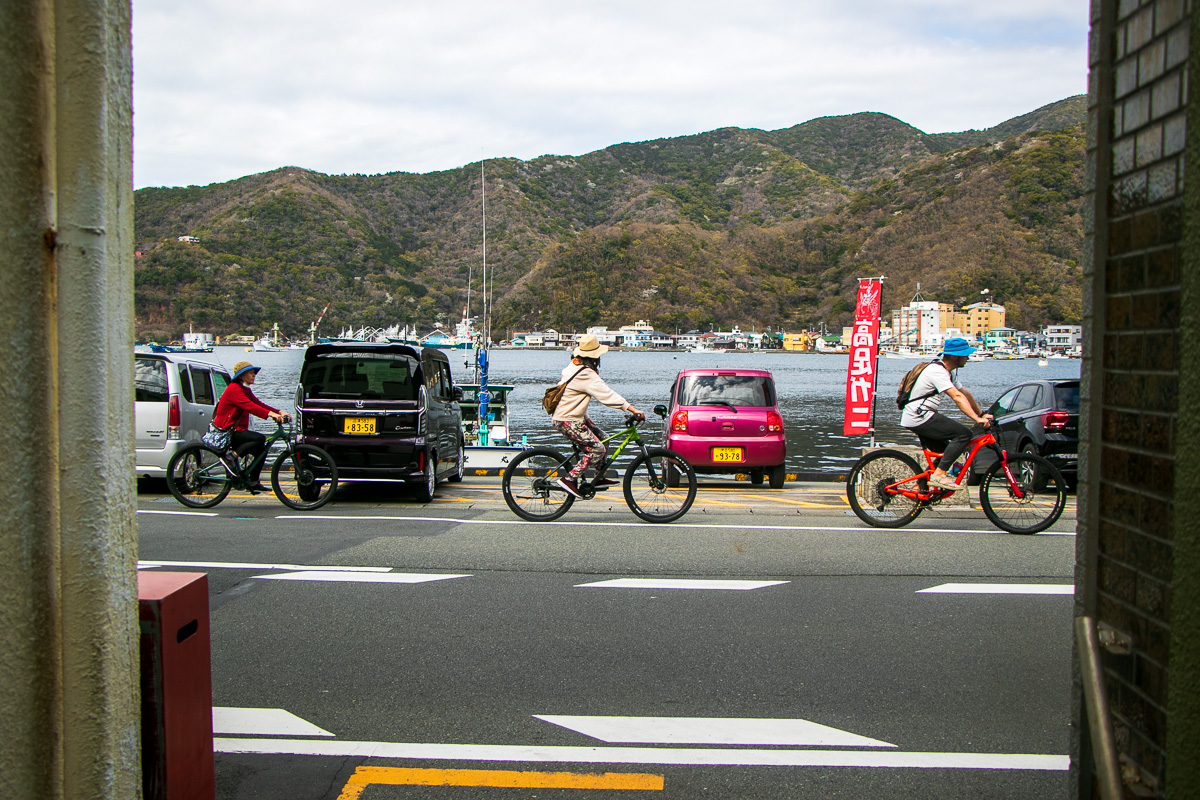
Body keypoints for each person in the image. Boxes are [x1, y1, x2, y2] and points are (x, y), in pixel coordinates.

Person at [551, 334, 645, 498]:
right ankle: (570, 478)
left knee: (605, 439)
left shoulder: (575, 365)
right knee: (597, 449)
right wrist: (632, 409)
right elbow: (607, 395)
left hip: (573, 417)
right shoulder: (585, 373)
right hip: (567, 420)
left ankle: (599, 477)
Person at [900, 337, 993, 491]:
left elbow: (963, 393)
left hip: (921, 415)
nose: (968, 358)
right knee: (964, 434)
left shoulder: (950, 372)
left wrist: (981, 413)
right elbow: (956, 397)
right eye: (965, 355)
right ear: (955, 357)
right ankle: (939, 475)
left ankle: (920, 487)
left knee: (946, 453)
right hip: (919, 416)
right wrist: (976, 419)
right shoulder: (937, 371)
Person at [213, 361, 290, 492]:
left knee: (262, 449)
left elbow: (258, 404)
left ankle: (253, 482)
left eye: (254, 373)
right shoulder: (234, 389)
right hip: (227, 431)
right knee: (259, 438)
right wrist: (270, 414)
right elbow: (250, 407)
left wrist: (279, 412)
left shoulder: (245, 390)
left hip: (237, 431)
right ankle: (231, 457)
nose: (254, 375)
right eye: (250, 373)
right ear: (242, 376)